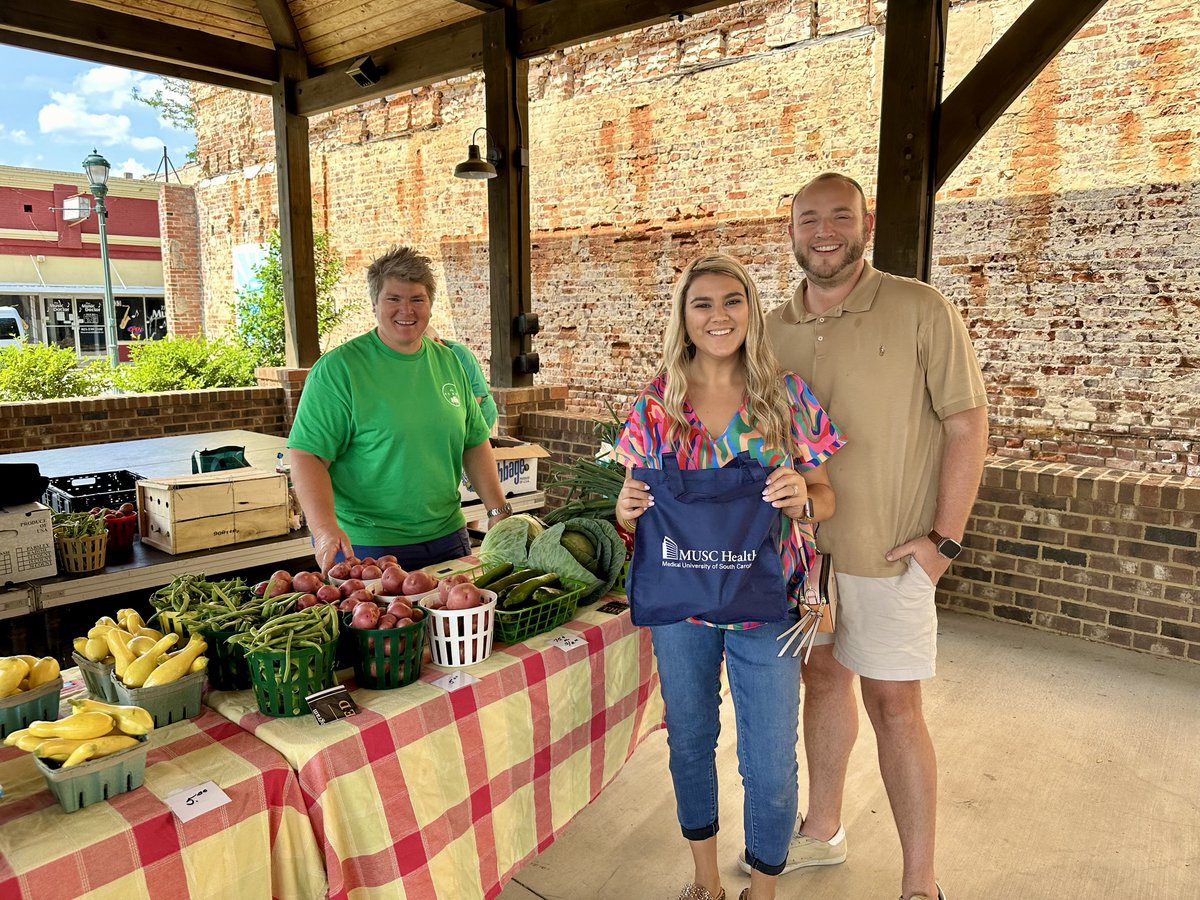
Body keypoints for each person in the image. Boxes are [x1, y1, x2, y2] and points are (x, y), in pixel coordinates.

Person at [761, 173, 988, 900]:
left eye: (838, 216)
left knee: (895, 706)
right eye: (807, 219)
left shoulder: (921, 309)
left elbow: (966, 424)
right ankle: (822, 830)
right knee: (821, 682)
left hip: (890, 555)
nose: (823, 231)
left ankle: (920, 883)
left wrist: (942, 542)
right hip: (803, 558)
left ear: (866, 222)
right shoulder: (769, 328)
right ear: (790, 230)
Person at [615, 254, 844, 900]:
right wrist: (623, 508)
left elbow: (824, 498)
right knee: (690, 741)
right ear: (684, 320)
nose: (720, 316)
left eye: (733, 301)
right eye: (703, 304)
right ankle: (706, 883)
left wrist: (804, 495)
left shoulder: (786, 397)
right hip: (680, 605)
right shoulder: (658, 402)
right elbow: (631, 503)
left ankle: (762, 891)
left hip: (765, 604)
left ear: (751, 310)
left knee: (769, 762)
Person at [287, 245, 513, 573]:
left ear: (430, 306)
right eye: (393, 298)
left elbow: (475, 442)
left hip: (448, 538)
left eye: (417, 299)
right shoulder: (339, 370)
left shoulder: (449, 361)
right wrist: (324, 529)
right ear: (375, 303)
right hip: (366, 548)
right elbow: (307, 455)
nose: (406, 309)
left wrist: (497, 511)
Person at [425, 325, 498, 429]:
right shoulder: (429, 357)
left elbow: (477, 396)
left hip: (480, 412)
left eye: (430, 349)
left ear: (437, 340)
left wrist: (458, 425)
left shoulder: (460, 353)